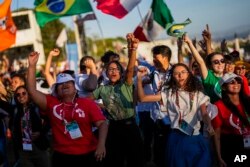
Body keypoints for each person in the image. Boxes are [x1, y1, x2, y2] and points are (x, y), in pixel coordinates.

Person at [26, 51, 108, 167]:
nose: (64, 85)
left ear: (75, 88)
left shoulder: (87, 103)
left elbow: (102, 124)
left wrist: (101, 144)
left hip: (88, 154)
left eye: (68, 82)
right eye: (60, 84)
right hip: (62, 156)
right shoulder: (51, 103)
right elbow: (32, 91)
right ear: (56, 90)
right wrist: (32, 66)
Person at [137, 63, 215, 167]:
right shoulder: (168, 93)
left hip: (194, 138)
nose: (180, 75)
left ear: (189, 74)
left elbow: (205, 114)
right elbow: (143, 98)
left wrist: (209, 125)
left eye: (183, 72)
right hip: (177, 138)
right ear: (172, 76)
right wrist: (138, 80)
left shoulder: (198, 94)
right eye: (176, 73)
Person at [90, 33, 144, 167]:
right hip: (112, 128)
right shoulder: (102, 89)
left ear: (121, 72)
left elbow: (131, 69)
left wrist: (133, 50)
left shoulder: (126, 84)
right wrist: (100, 106)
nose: (113, 71)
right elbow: (86, 101)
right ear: (106, 73)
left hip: (130, 127)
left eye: (116, 69)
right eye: (110, 69)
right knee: (115, 160)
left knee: (135, 160)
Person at [212, 73, 250, 167]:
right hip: (232, 145)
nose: (236, 83)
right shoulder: (218, 106)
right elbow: (216, 135)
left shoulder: (248, 101)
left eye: (238, 81)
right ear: (224, 87)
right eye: (231, 82)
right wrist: (219, 157)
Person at [12, 85, 50, 167]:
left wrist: (40, 133)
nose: (21, 96)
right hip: (24, 149)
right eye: (18, 95)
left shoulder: (37, 107)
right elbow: (13, 129)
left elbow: (49, 122)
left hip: (39, 146)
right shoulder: (15, 110)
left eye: (23, 93)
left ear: (28, 94)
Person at [182, 32, 225, 103]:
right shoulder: (209, 77)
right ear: (210, 65)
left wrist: (208, 41)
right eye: (216, 62)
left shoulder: (230, 76)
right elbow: (201, 62)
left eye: (222, 61)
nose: (220, 63)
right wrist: (189, 43)